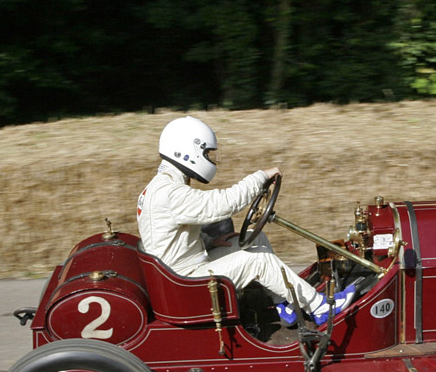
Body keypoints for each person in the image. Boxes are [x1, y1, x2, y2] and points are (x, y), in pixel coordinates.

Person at [137, 116, 354, 326]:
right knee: (258, 261)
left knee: (255, 238)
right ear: (187, 151)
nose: (210, 159)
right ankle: (320, 308)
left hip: (182, 273)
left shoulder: (163, 187)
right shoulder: (169, 193)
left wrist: (209, 241)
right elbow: (223, 204)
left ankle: (284, 305)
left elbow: (171, 231)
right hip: (186, 283)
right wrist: (259, 177)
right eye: (206, 153)